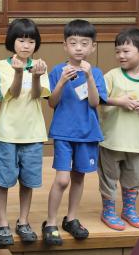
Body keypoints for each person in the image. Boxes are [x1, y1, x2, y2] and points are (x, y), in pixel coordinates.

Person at [42, 19, 107, 246]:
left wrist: (88, 77)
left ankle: (71, 218)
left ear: (93, 47)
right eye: (73, 43)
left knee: (79, 177)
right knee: (62, 180)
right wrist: (61, 81)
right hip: (63, 133)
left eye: (84, 43)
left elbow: (94, 102)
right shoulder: (58, 71)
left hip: (87, 133)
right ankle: (50, 222)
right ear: (64, 46)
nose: (78, 48)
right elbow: (51, 102)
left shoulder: (96, 73)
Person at [98, 28, 139, 231]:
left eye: (126, 51)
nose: (121, 55)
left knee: (132, 178)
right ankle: (108, 211)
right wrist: (119, 102)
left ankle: (129, 210)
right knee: (109, 178)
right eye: (118, 51)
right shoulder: (111, 76)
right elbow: (98, 99)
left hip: (136, 142)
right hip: (111, 139)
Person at [0, 18, 50, 246]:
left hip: (33, 133)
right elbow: (12, 93)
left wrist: (35, 75)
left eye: (31, 41)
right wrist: (18, 73)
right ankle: (2, 222)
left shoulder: (39, 65)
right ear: (11, 42)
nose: (26, 46)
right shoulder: (2, 66)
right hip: (6, 133)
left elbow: (37, 95)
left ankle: (23, 220)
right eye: (21, 40)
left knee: (28, 181)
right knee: (3, 181)